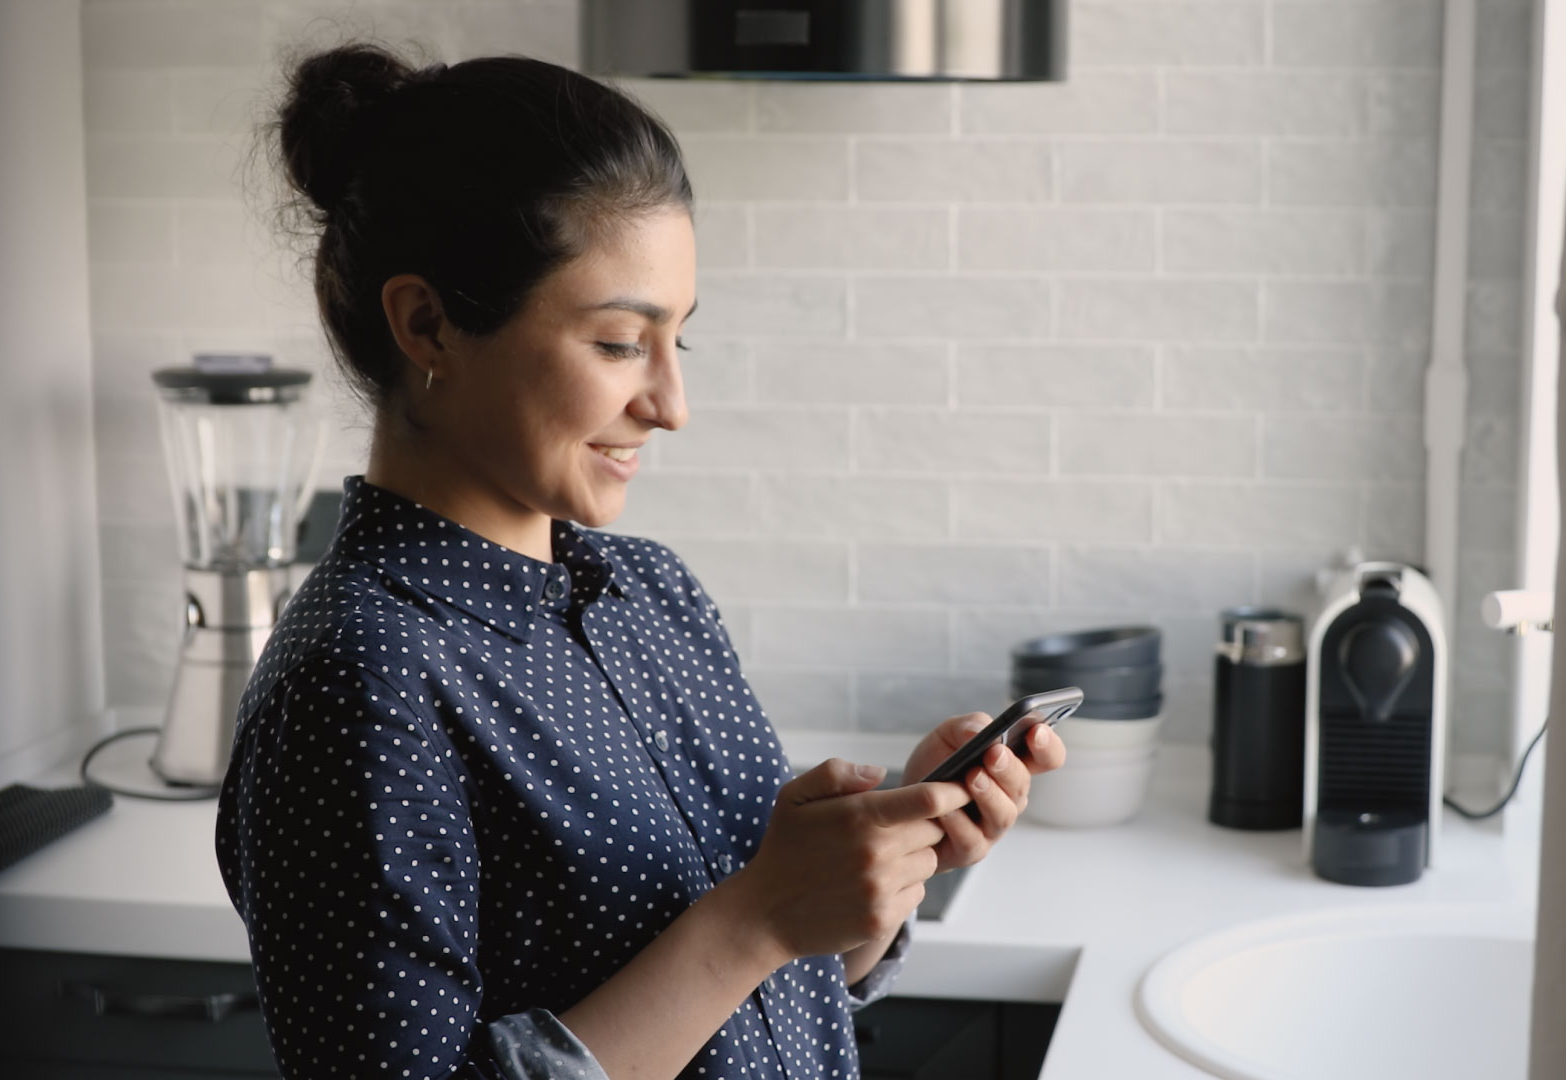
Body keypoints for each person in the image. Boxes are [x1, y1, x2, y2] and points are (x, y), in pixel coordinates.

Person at [214, 43, 1066, 1080]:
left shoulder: (647, 590)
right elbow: (731, 943)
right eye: (620, 343)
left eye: (679, 343)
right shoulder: (359, 681)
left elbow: (753, 988)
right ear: (427, 323)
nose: (669, 404)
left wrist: (872, 883)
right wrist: (753, 919)